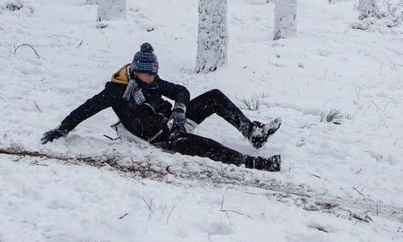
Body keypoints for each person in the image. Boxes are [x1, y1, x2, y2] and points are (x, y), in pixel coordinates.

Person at [40, 43, 282, 171]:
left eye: (154, 74)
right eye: (148, 75)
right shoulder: (116, 91)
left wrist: (179, 110)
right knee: (205, 146)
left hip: (175, 122)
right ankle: (254, 164)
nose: (153, 79)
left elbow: (181, 91)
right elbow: (88, 108)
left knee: (215, 96)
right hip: (162, 137)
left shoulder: (153, 80)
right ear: (136, 71)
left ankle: (253, 133)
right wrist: (63, 129)